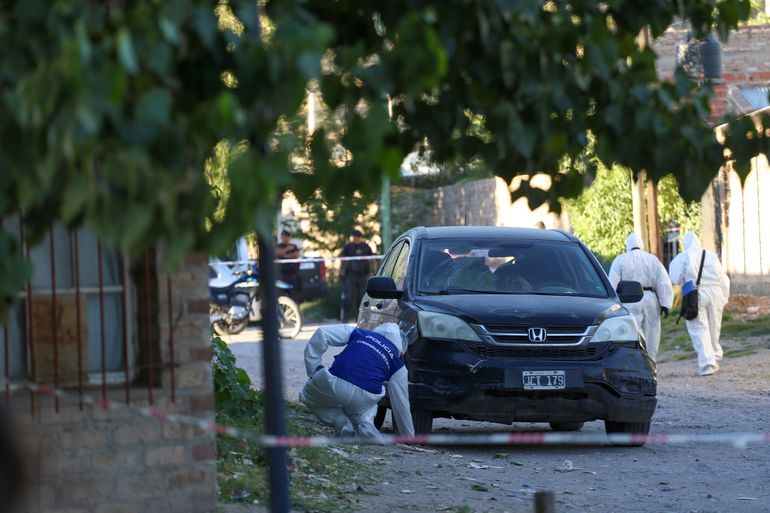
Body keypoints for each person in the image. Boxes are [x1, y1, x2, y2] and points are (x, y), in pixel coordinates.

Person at [299, 323, 415, 442]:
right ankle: (366, 424)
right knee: (372, 396)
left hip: (334, 382)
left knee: (306, 396)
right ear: (400, 347)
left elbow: (322, 333)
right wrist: (409, 437)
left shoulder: (359, 333)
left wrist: (313, 369)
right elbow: (402, 402)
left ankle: (342, 423)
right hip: (365, 397)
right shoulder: (397, 364)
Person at [668, 232, 730, 376]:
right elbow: (722, 277)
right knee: (715, 328)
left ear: (685, 244)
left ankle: (708, 364)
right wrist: (724, 296)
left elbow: (676, 278)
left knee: (699, 328)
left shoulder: (684, 256)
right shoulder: (711, 256)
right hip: (716, 292)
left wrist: (686, 279)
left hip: (696, 293)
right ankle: (714, 355)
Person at [608, 233, 673, 362]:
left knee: (631, 331)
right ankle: (650, 361)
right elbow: (663, 281)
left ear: (627, 245)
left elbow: (612, 282)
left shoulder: (620, 259)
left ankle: (635, 362)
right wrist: (665, 303)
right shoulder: (652, 259)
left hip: (629, 298)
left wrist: (612, 303)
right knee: (652, 332)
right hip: (650, 298)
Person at [340, 229, 373, 320]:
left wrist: (374, 270)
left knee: (362, 297)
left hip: (363, 275)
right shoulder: (348, 247)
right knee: (348, 296)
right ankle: (345, 317)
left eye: (358, 237)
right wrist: (341, 271)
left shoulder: (365, 247)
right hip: (351, 275)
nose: (356, 239)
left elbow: (372, 259)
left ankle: (360, 317)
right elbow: (343, 260)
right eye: (355, 237)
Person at [274, 229, 301, 299]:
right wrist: (287, 249)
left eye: (286, 236)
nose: (285, 238)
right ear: (281, 237)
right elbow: (278, 252)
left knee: (294, 295)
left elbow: (296, 255)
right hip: (282, 275)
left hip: (293, 275)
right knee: (282, 295)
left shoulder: (293, 246)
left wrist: (285, 256)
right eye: (283, 236)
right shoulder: (278, 246)